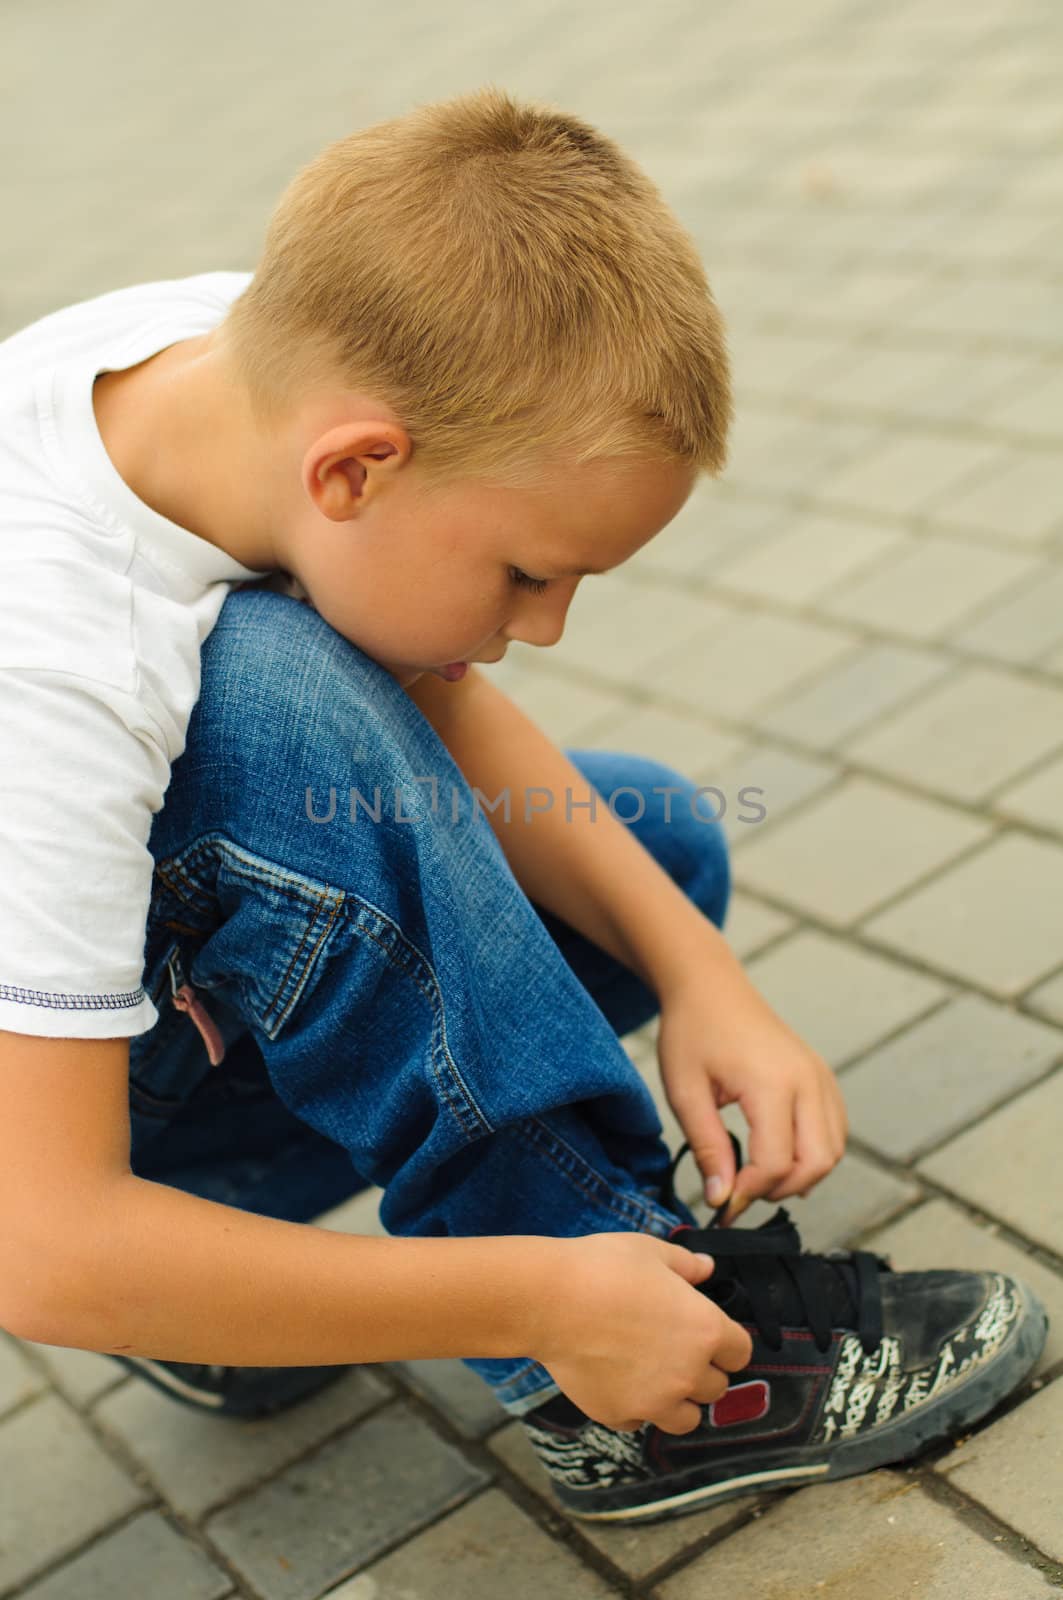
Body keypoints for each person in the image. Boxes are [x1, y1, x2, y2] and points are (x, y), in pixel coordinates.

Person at [0, 87, 1045, 1525]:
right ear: (354, 468)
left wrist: (704, 977)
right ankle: (652, 1386)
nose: (544, 629)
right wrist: (535, 1289)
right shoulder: (50, 664)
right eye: (524, 576)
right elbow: (40, 1247)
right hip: (37, 1148)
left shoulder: (252, 367)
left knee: (649, 848)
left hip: (128, 1049)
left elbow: (436, 707)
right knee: (269, 693)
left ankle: (214, 1280)